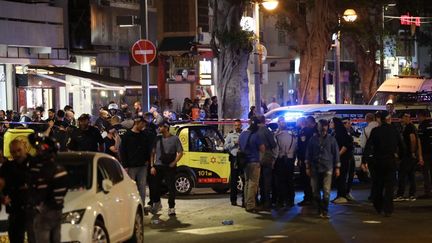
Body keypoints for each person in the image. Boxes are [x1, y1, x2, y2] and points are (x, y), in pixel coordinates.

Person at [27, 134, 69, 243]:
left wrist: (36, 205)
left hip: (45, 211)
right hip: (57, 210)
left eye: (40, 149)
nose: (37, 151)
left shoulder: (45, 170)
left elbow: (40, 192)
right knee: (55, 238)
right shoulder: (60, 169)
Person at [365, 111, 404, 217]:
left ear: (380, 120)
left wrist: (365, 160)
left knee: (378, 184)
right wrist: (400, 157)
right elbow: (401, 145)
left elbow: (369, 146)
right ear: (388, 119)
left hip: (378, 161)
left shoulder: (375, 131)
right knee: (389, 186)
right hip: (390, 160)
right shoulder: (394, 130)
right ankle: (388, 209)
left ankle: (378, 205)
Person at [0, 139, 34, 243]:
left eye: (19, 150)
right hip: (15, 211)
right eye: (13, 152)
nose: (17, 154)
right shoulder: (7, 167)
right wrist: (2, 197)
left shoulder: (36, 164)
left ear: (25, 148)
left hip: (33, 211)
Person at [305, 119, 340, 219]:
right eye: (321, 126)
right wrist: (307, 166)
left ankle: (324, 211)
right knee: (315, 191)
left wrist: (337, 167)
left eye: (325, 126)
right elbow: (308, 153)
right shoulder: (312, 139)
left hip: (327, 167)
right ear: (318, 127)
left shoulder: (331, 139)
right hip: (315, 167)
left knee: (326, 191)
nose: (323, 128)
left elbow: (336, 153)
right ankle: (319, 208)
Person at [150, 121, 184, 216]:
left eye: (160, 127)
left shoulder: (175, 139)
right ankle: (157, 203)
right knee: (155, 186)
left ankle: (171, 207)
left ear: (166, 127)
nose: (159, 129)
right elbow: (152, 153)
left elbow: (180, 152)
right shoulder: (157, 138)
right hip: (158, 166)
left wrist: (174, 162)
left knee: (171, 187)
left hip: (169, 166)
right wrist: (152, 166)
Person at [120, 117, 156, 205]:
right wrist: (125, 166)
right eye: (142, 124)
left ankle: (141, 206)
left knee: (142, 187)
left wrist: (148, 160)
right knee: (131, 187)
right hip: (131, 166)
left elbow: (148, 148)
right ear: (137, 123)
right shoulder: (127, 135)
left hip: (142, 166)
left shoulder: (144, 135)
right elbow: (123, 151)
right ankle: (132, 206)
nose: (143, 126)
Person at [239, 117, 265, 213]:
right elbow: (262, 149)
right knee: (253, 184)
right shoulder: (256, 136)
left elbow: (239, 146)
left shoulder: (242, 135)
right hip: (254, 161)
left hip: (245, 162)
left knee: (246, 182)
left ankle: (246, 203)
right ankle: (251, 205)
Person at [395, 113, 421, 202]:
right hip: (409, 155)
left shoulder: (409, 127)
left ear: (406, 118)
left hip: (407, 155)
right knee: (411, 175)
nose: (401, 120)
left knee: (402, 175)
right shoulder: (410, 127)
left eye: (402, 118)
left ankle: (400, 194)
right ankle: (412, 194)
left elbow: (413, 139)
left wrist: (412, 152)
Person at [273, 116, 297, 209]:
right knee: (290, 180)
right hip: (290, 159)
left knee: (281, 181)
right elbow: (295, 148)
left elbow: (275, 150)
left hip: (281, 159)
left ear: (279, 123)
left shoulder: (277, 136)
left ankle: (281, 200)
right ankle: (290, 200)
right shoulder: (293, 135)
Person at [330, 117, 353, 204]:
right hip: (338, 159)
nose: (330, 124)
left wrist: (338, 155)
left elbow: (345, 145)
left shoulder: (341, 133)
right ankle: (339, 195)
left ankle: (342, 196)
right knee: (338, 178)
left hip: (343, 159)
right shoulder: (334, 133)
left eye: (331, 122)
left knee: (342, 177)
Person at [257, 115, 277, 209]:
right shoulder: (266, 131)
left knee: (260, 180)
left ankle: (261, 200)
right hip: (267, 157)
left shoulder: (254, 130)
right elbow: (273, 144)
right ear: (264, 121)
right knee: (267, 180)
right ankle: (267, 202)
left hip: (257, 157)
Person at [297, 116, 317, 206]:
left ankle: (308, 198)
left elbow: (303, 147)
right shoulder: (311, 131)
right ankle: (312, 197)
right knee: (310, 179)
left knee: (306, 179)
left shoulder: (304, 132)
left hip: (306, 159)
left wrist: (301, 159)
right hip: (311, 158)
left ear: (301, 122)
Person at [360, 113, 380, 200]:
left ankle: (374, 194)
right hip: (382, 154)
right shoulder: (380, 127)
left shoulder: (366, 129)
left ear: (367, 119)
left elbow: (363, 144)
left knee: (374, 176)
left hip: (372, 155)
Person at [224, 119, 244, 206]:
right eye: (236, 125)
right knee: (234, 180)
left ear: (241, 125)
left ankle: (244, 200)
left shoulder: (244, 134)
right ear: (234, 126)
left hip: (243, 158)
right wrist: (233, 143)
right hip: (234, 158)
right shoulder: (230, 134)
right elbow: (225, 146)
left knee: (244, 179)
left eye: (239, 125)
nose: (237, 127)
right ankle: (233, 200)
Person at [417, 110, 432, 198]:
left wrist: (420, 156)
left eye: (418, 116)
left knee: (426, 173)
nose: (418, 119)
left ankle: (427, 192)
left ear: (422, 116)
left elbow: (419, 142)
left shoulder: (422, 126)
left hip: (426, 153)